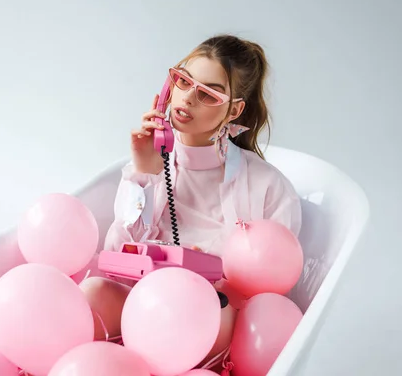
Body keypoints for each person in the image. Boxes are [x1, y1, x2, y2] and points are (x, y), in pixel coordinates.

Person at [79, 34, 302, 369]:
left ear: (234, 110)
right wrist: (145, 175)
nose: (186, 99)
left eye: (207, 94)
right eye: (183, 82)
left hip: (209, 321)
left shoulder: (269, 186)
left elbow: (269, 288)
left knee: (216, 304)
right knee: (92, 291)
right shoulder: (152, 165)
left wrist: (209, 275)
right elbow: (114, 256)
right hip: (143, 305)